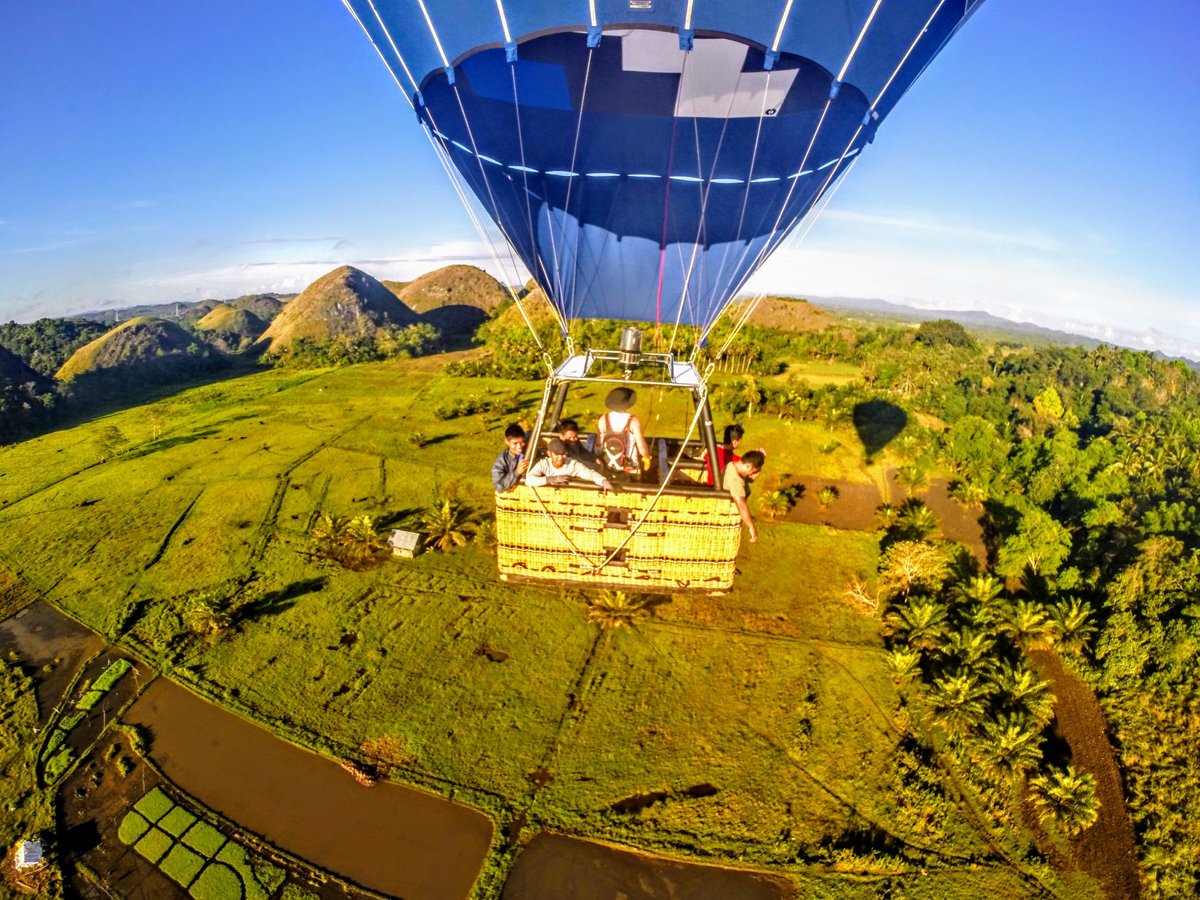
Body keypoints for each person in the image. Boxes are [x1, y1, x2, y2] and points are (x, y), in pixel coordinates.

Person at [595, 386, 650, 475]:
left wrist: (598, 458)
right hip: (629, 466)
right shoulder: (633, 420)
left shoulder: (603, 419)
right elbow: (641, 447)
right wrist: (647, 457)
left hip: (608, 466)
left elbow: (598, 445)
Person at [526, 438, 614, 490]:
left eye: (563, 454)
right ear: (549, 453)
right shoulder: (544, 464)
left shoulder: (572, 464)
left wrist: (603, 481)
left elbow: (590, 474)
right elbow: (529, 480)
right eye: (557, 454)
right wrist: (552, 479)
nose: (560, 458)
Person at [723, 449, 765, 543]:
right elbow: (741, 505)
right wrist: (751, 527)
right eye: (753, 471)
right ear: (748, 466)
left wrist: (760, 460)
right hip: (727, 516)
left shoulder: (735, 466)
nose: (752, 474)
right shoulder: (735, 480)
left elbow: (751, 479)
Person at [492, 423, 527, 493]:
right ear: (507, 442)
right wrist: (517, 472)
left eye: (522, 442)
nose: (519, 446)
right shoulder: (501, 462)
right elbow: (499, 487)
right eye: (515, 443)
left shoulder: (528, 449)